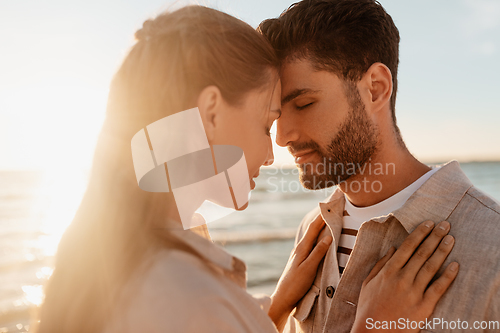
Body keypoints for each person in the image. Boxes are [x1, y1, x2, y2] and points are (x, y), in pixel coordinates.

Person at [33, 5, 458, 333]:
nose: (274, 148)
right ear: (212, 113)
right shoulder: (190, 297)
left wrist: (272, 311)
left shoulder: (122, 258)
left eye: (303, 104)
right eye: (265, 122)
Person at [259, 0, 500, 332]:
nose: (282, 137)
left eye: (303, 103)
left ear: (375, 89)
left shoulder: (493, 247)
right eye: (276, 115)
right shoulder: (313, 232)